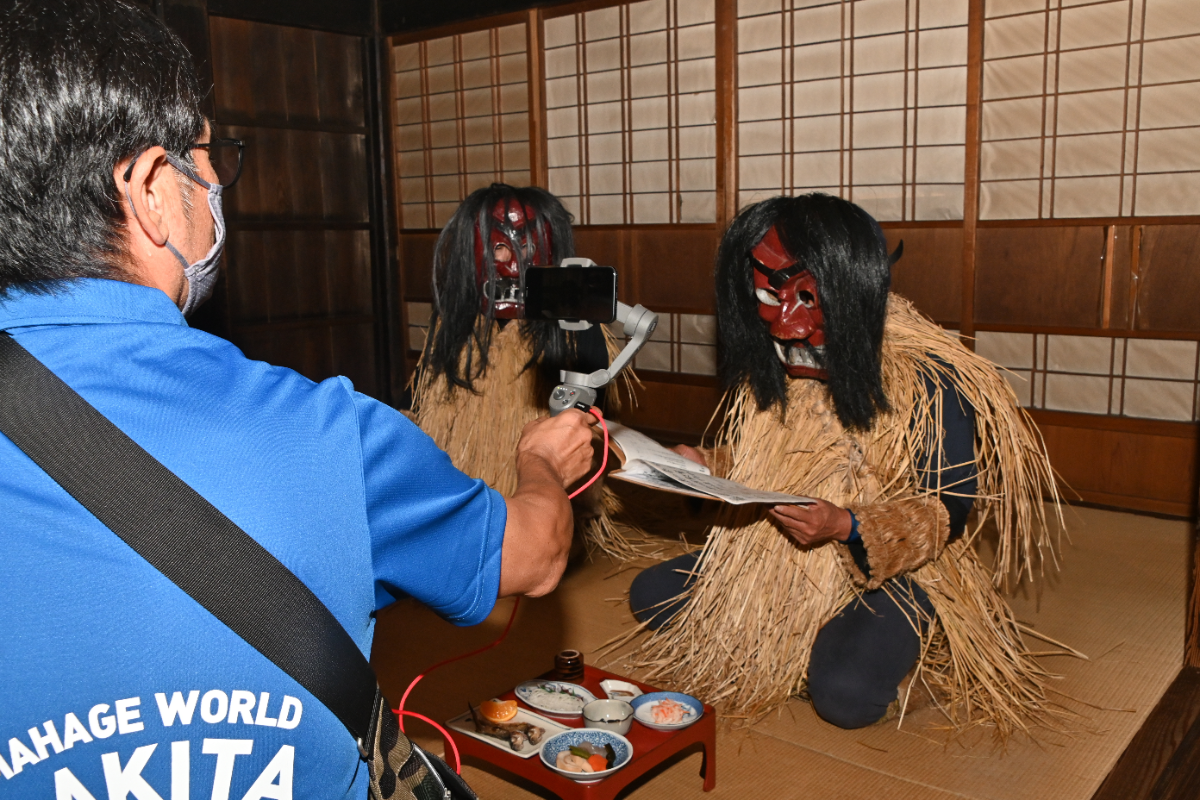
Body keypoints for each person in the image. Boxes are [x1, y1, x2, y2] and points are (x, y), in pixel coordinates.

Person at [0, 1, 594, 796]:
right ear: (150, 189)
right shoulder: (327, 437)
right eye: (207, 157)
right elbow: (535, 552)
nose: (218, 182)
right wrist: (541, 461)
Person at [627, 194, 1061, 734]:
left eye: (808, 298)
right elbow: (775, 457)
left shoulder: (929, 378)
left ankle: (906, 644)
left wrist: (845, 524)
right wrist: (705, 465)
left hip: (893, 569)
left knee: (845, 698)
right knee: (650, 595)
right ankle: (811, 640)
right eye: (768, 295)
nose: (786, 326)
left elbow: (946, 509)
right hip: (778, 557)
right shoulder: (780, 361)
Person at [411, 183, 645, 559]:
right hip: (466, 496)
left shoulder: (575, 329)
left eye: (526, 246)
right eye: (497, 247)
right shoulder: (453, 329)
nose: (509, 264)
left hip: (543, 499)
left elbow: (589, 416)